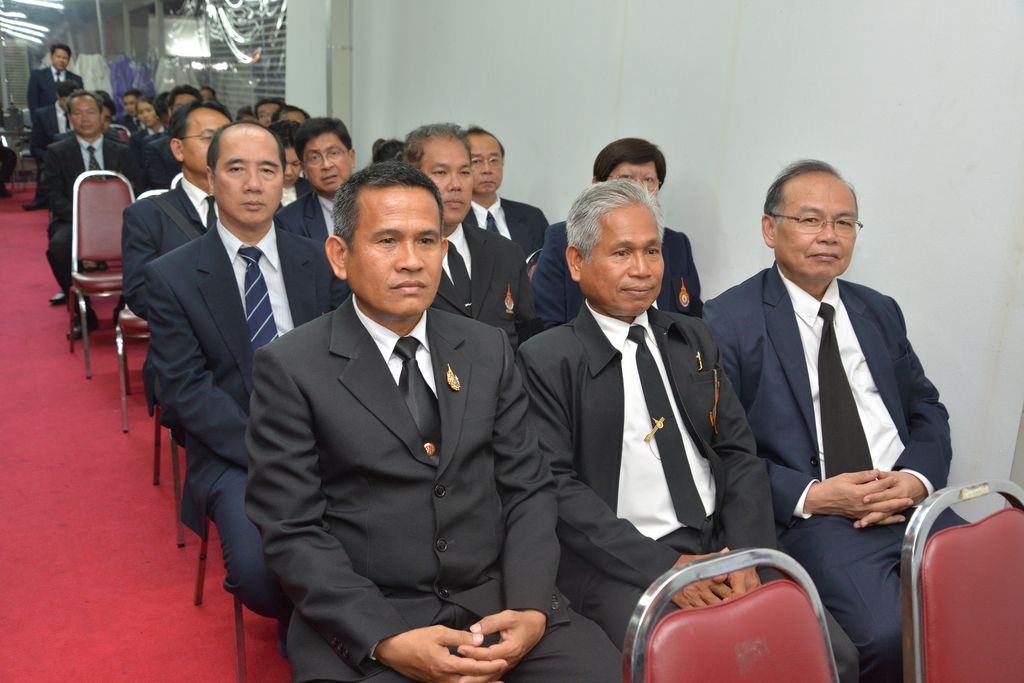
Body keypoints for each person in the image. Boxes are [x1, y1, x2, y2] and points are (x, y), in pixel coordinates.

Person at [244, 160, 620, 683]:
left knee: (600, 670)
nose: (410, 261)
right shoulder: (291, 367)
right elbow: (293, 531)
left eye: (426, 241)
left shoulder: (487, 348)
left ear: (443, 250)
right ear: (340, 255)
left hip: (495, 599)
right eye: (387, 241)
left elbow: (528, 488)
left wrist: (530, 607)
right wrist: (388, 640)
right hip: (373, 611)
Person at [516, 179, 859, 681]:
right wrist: (666, 566)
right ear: (576, 261)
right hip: (623, 560)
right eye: (621, 253)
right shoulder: (547, 360)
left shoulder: (691, 337)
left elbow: (738, 451)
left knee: (829, 654)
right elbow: (559, 490)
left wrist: (747, 552)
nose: (642, 269)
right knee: (696, 664)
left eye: (652, 251)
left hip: (724, 540)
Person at [704, 159, 958, 682]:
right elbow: (718, 450)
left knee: (990, 589)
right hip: (818, 517)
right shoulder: (725, 322)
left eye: (844, 222)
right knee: (887, 634)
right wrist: (813, 496)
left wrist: (915, 478)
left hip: (907, 500)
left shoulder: (879, 311)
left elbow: (926, 409)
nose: (829, 235)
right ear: (769, 229)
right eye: (810, 220)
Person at [144, 121, 348, 650]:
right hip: (235, 452)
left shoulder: (320, 259)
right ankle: (309, 627)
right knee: (260, 575)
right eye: (237, 169)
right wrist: (270, 450)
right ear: (211, 179)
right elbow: (185, 390)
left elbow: (346, 358)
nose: (254, 184)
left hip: (330, 436)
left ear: (286, 179)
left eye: (268, 170)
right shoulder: (172, 277)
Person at [531, 138, 703, 328]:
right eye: (626, 179)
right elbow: (546, 323)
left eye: (648, 180)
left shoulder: (677, 243)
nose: (638, 188)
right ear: (597, 184)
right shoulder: (561, 238)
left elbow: (692, 318)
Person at [404, 123, 539, 349]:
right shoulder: (398, 258)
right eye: (441, 173)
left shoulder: (506, 252)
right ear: (411, 179)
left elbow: (528, 338)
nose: (456, 185)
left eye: (464, 172)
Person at [41, 89, 142, 334]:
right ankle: (82, 310)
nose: (84, 118)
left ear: (102, 116)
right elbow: (53, 196)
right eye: (77, 113)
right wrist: (85, 221)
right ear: (69, 118)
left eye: (90, 112)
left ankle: (125, 306)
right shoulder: (56, 152)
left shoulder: (122, 150)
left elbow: (137, 189)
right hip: (74, 220)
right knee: (59, 247)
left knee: (145, 242)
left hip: (120, 219)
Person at [463, 126, 548, 256]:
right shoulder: (453, 221)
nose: (487, 169)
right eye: (477, 161)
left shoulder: (532, 217)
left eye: (493, 160)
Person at [276, 117, 355, 240]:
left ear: (351, 157)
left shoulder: (378, 205)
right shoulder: (288, 221)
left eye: (333, 153)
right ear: (304, 168)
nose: (326, 165)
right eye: (314, 158)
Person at [25, 80, 79, 215]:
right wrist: (51, 157)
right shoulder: (43, 115)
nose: (69, 104)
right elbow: (35, 147)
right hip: (51, 158)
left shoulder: (81, 114)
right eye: (66, 100)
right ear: (58, 96)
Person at [142, 84, 200, 190]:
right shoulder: (156, 149)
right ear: (170, 111)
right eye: (180, 107)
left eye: (192, 107)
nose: (185, 111)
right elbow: (160, 188)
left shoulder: (211, 143)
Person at [27, 43, 82, 115]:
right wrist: (36, 120)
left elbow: (79, 103)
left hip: (69, 119)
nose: (61, 60)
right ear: (51, 57)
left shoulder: (76, 79)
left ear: (69, 60)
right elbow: (32, 103)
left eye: (65, 58)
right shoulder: (37, 76)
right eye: (58, 57)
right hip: (45, 119)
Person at [267, 119, 312, 206]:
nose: (288, 172)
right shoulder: (255, 190)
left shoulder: (314, 191)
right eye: (282, 163)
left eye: (295, 164)